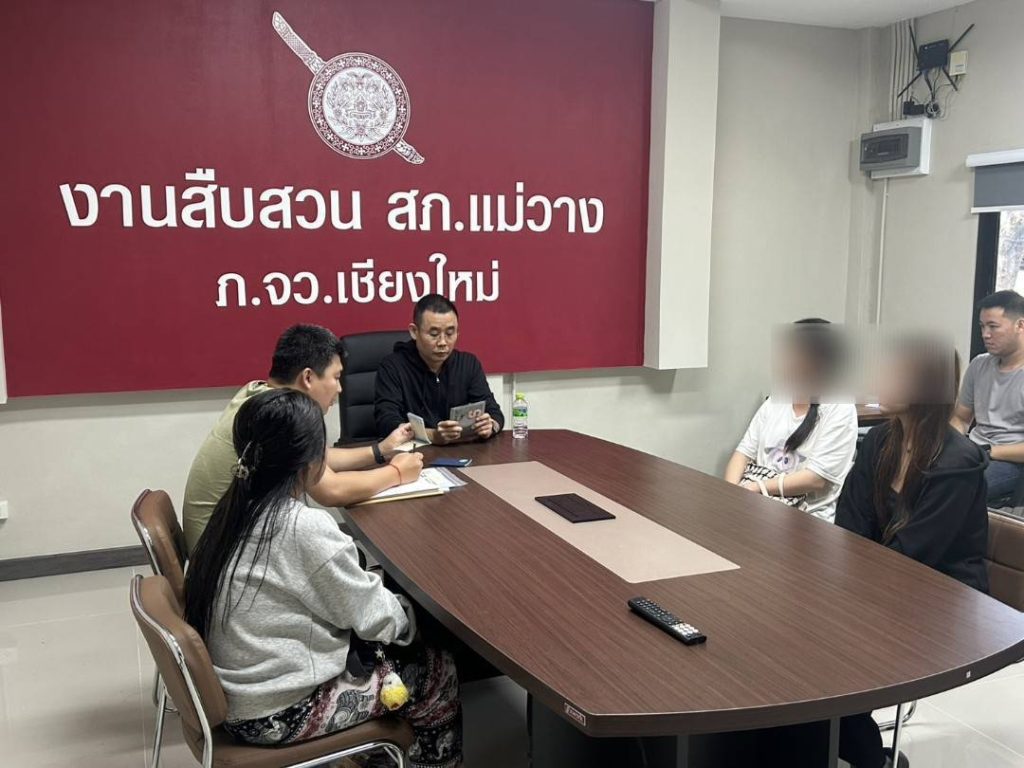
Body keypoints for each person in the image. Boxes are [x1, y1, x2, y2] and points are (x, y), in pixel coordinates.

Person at [184, 389, 461, 767]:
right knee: (438, 671)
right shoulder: (301, 527)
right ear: (312, 462)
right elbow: (378, 619)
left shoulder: (233, 509)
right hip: (276, 713)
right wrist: (415, 617)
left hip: (240, 691)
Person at [835, 338, 989, 768]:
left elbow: (916, 554)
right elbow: (849, 523)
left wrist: (853, 588)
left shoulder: (958, 462)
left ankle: (864, 756)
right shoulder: (881, 439)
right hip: (883, 582)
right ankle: (844, 747)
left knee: (835, 654)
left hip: (941, 597)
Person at [183, 324, 422, 552]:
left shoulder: (259, 394)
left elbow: (318, 457)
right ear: (308, 377)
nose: (340, 389)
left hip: (218, 548)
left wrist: (380, 450)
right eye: (336, 377)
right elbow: (332, 490)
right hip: (227, 560)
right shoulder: (280, 418)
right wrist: (397, 473)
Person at [724, 319, 858, 521]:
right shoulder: (777, 399)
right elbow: (743, 454)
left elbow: (815, 479)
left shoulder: (840, 407)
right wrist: (730, 494)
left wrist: (756, 488)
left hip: (805, 520)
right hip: (756, 509)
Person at [375, 294, 504, 444]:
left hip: (460, 451)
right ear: (414, 331)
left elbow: (494, 412)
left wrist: (490, 426)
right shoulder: (393, 367)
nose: (443, 342)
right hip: (412, 451)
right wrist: (433, 435)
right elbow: (386, 422)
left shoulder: (468, 364)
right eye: (434, 334)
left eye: (450, 333)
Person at [952, 290, 1024, 503]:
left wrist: (989, 450)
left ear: (1020, 326)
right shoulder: (979, 365)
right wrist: (952, 443)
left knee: (956, 490)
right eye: (982, 327)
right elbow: (961, 417)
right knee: (914, 475)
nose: (985, 334)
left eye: (993, 326)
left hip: (1010, 462)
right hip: (974, 451)